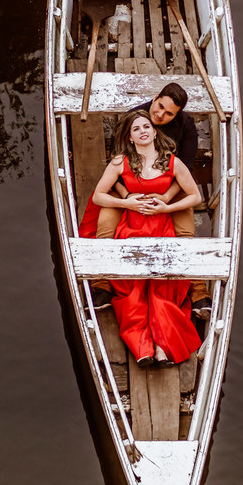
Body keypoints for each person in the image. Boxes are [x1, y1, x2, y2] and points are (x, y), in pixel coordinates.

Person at [87, 109, 204, 367]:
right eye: (136, 129)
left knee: (163, 287)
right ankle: (142, 347)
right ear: (130, 138)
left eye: (146, 127)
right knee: (134, 288)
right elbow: (98, 196)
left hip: (161, 226)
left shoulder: (172, 162)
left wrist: (166, 208)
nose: (143, 131)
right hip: (132, 227)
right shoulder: (120, 162)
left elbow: (195, 197)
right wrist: (127, 203)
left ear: (154, 132)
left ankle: (163, 347)